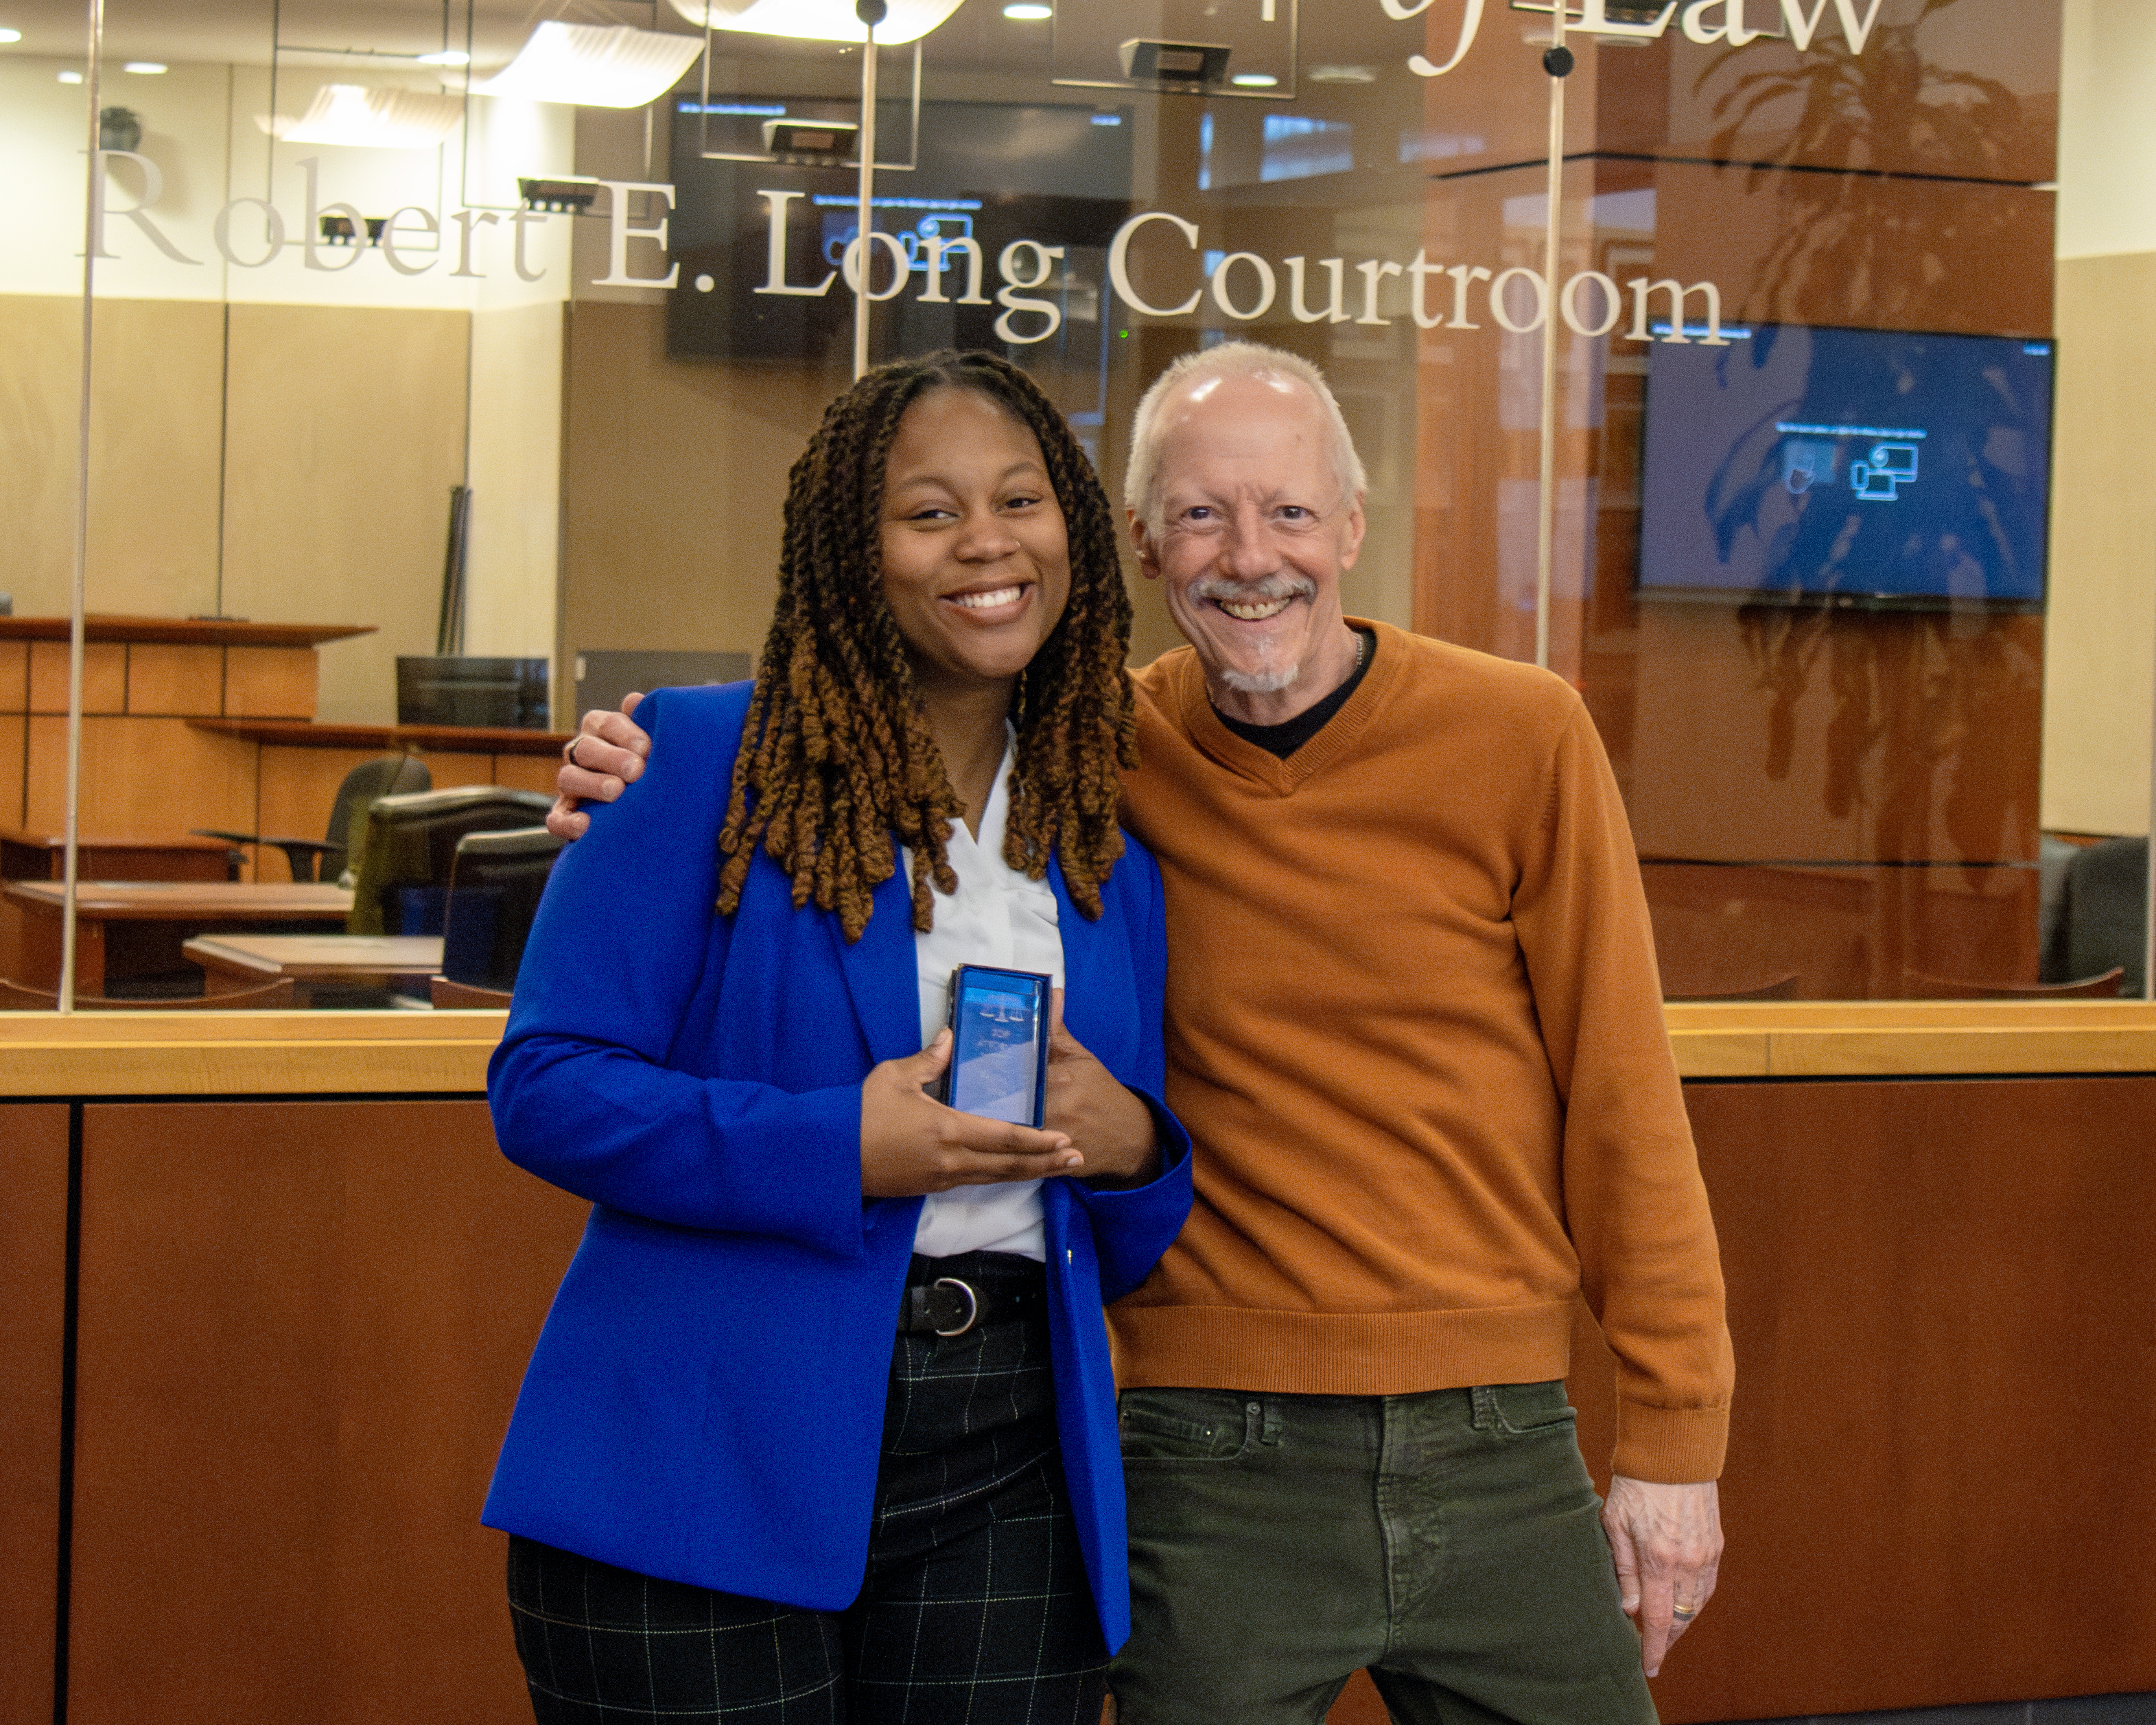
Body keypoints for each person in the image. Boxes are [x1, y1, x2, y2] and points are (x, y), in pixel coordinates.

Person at [553, 340, 1734, 1725]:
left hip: (1488, 1429)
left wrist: (1673, 1433)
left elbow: (1623, 1103)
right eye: (1199, 515)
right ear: (1138, 540)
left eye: (1289, 512)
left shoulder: (1518, 735)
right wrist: (621, 772)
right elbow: (805, 789)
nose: (1250, 558)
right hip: (1194, 1440)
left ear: (1351, 526)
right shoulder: (1096, 755)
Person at [487, 349, 1193, 1725]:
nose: (984, 543)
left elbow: (1126, 1227)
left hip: (1012, 1459)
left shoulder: (1112, 823)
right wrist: (837, 1146)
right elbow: (546, 1089)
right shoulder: (693, 761)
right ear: (851, 553)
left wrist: (1129, 1150)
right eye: (927, 512)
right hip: (702, 1447)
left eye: (1019, 500)